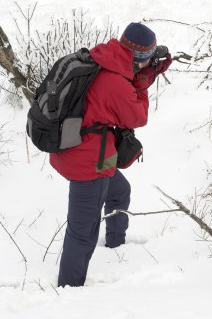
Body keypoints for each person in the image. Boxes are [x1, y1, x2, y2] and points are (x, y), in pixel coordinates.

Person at [49, 22, 172, 287]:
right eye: (148, 57)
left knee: (119, 191)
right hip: (86, 161)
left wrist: (139, 74)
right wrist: (144, 83)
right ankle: (68, 291)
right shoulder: (115, 81)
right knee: (82, 232)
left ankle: (116, 245)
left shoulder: (104, 57)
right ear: (139, 58)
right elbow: (137, 117)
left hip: (89, 149)